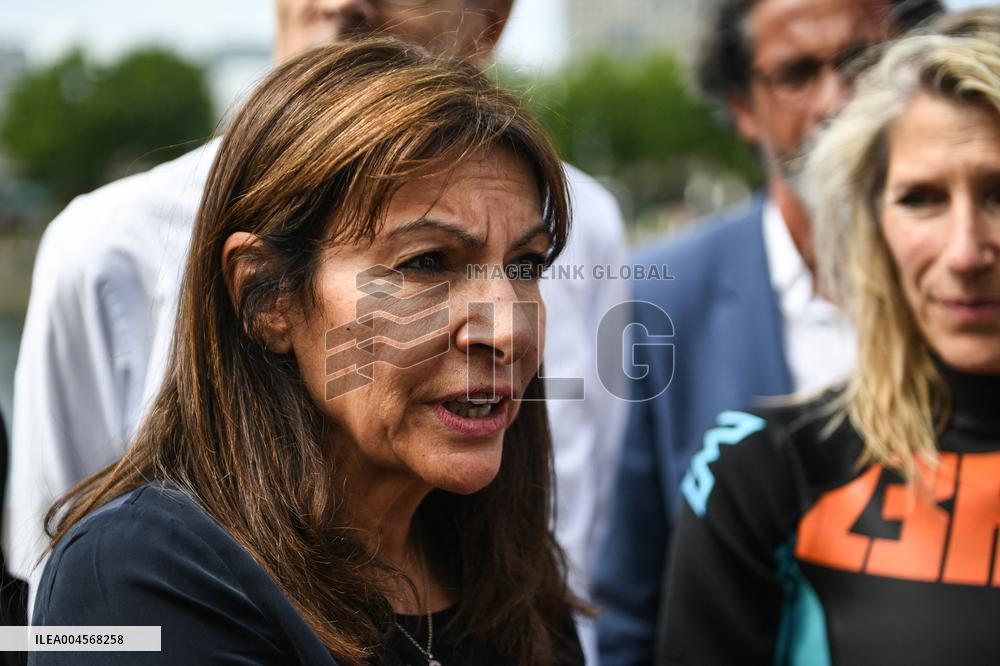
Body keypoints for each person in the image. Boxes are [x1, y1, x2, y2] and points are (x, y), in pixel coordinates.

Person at [6, 4, 627, 657]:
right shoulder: (143, 581)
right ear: (268, 296)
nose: (506, 330)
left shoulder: (505, 574)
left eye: (526, 266)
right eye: (426, 264)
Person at [592, 0, 943, 661]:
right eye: (797, 73)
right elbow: (632, 601)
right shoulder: (660, 301)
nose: (835, 101)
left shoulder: (972, 280)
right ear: (743, 106)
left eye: (863, 60)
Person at [661, 19, 1000, 664]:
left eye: (999, 194)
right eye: (921, 199)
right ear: (872, 226)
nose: (966, 251)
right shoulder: (766, 470)